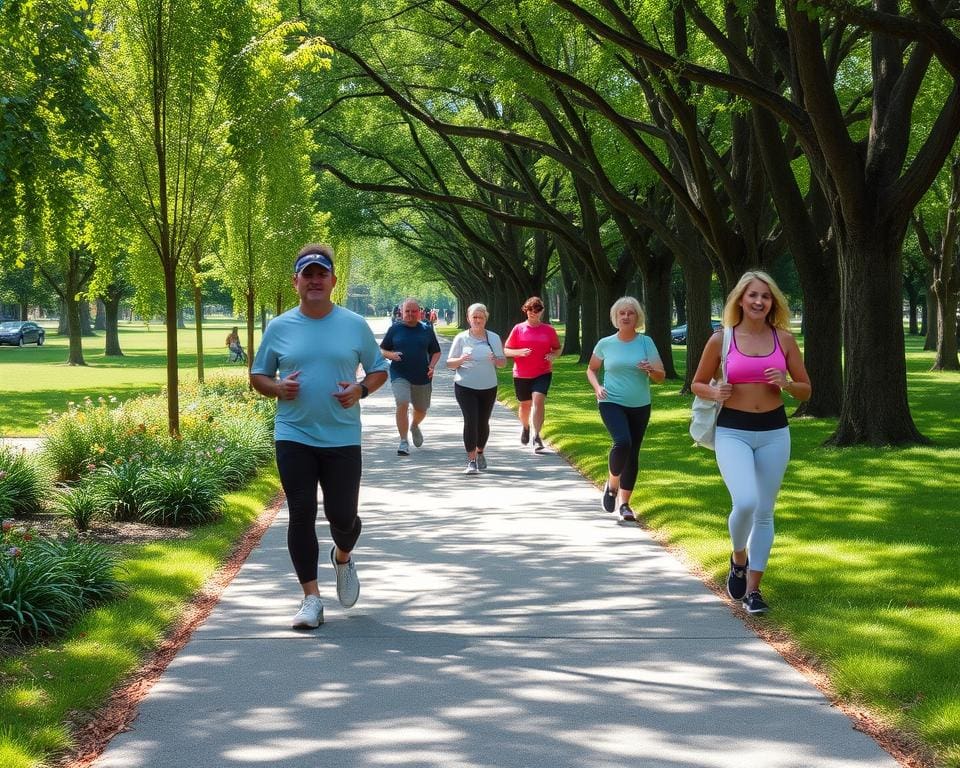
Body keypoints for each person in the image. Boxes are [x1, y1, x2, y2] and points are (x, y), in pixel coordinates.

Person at [250, 243, 388, 630]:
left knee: (342, 516)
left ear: (332, 280)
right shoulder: (279, 327)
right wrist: (276, 388)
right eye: (307, 274)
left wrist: (360, 389)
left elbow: (379, 370)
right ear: (296, 281)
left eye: (321, 273)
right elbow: (258, 375)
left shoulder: (354, 325)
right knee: (301, 511)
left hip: (342, 436)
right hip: (293, 433)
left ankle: (342, 556)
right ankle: (311, 598)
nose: (314, 280)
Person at [691, 270, 810, 616]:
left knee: (764, 511)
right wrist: (714, 390)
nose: (759, 301)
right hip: (733, 430)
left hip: (774, 431)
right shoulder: (721, 339)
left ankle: (753, 591)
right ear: (740, 300)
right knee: (744, 501)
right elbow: (698, 382)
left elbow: (806, 388)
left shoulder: (784, 339)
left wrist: (786, 383)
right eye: (753, 295)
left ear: (773, 302)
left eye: (766, 296)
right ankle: (738, 557)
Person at [586, 297, 665, 522]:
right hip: (611, 401)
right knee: (623, 442)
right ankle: (612, 485)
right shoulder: (605, 343)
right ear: (616, 317)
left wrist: (651, 370)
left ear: (637, 317)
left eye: (631, 313)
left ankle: (625, 505)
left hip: (640, 404)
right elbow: (591, 369)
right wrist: (597, 386)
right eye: (622, 313)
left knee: (633, 453)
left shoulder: (645, 342)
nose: (626, 317)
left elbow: (660, 377)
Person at [446, 302, 506, 474]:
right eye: (474, 317)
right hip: (465, 385)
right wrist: (461, 360)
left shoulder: (493, 338)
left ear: (485, 319)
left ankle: (480, 451)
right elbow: (450, 363)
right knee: (471, 421)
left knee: (483, 422)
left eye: (481, 317)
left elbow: (503, 363)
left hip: (488, 386)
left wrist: (497, 360)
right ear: (468, 319)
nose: (477, 320)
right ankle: (471, 460)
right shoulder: (461, 338)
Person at [380, 298, 442, 456]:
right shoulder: (395, 329)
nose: (410, 314)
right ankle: (403, 441)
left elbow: (436, 351)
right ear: (401, 312)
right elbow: (381, 350)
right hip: (399, 373)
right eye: (407, 311)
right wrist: (391, 355)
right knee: (402, 402)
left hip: (422, 375)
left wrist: (432, 366)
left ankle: (414, 425)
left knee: (421, 409)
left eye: (413, 311)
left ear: (419, 312)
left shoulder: (426, 329)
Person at [504, 296, 561, 452]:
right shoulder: (518, 329)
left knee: (538, 400)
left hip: (542, 372)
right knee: (525, 405)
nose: (533, 313)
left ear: (541, 312)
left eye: (536, 311)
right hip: (521, 374)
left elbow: (557, 348)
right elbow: (506, 350)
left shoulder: (548, 330)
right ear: (526, 311)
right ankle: (526, 427)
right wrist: (519, 352)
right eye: (530, 310)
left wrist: (553, 356)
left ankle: (537, 436)